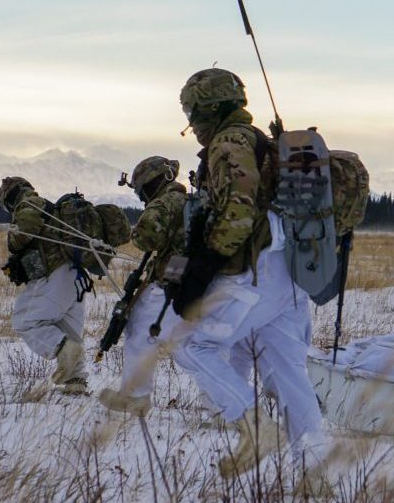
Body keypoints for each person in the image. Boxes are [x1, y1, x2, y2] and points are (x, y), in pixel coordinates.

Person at [168, 68, 327, 478]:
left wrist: (199, 274)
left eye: (194, 112)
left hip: (259, 270)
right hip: (289, 272)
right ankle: (316, 475)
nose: (193, 125)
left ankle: (256, 429)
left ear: (212, 108)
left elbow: (238, 210)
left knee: (190, 345)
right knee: (291, 375)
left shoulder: (230, 142)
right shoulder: (261, 142)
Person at [98, 156, 186, 415]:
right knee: (144, 333)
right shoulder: (182, 200)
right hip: (178, 276)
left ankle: (135, 397)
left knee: (148, 335)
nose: (141, 197)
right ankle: (134, 396)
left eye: (142, 190)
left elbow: (146, 237)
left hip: (171, 281)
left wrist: (138, 231)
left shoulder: (166, 202)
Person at [0, 176, 89, 393]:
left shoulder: (29, 204)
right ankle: (75, 383)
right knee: (68, 329)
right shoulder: (50, 207)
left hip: (54, 275)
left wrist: (12, 241)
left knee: (24, 320)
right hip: (76, 277)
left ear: (9, 198)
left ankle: (62, 350)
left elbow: (22, 234)